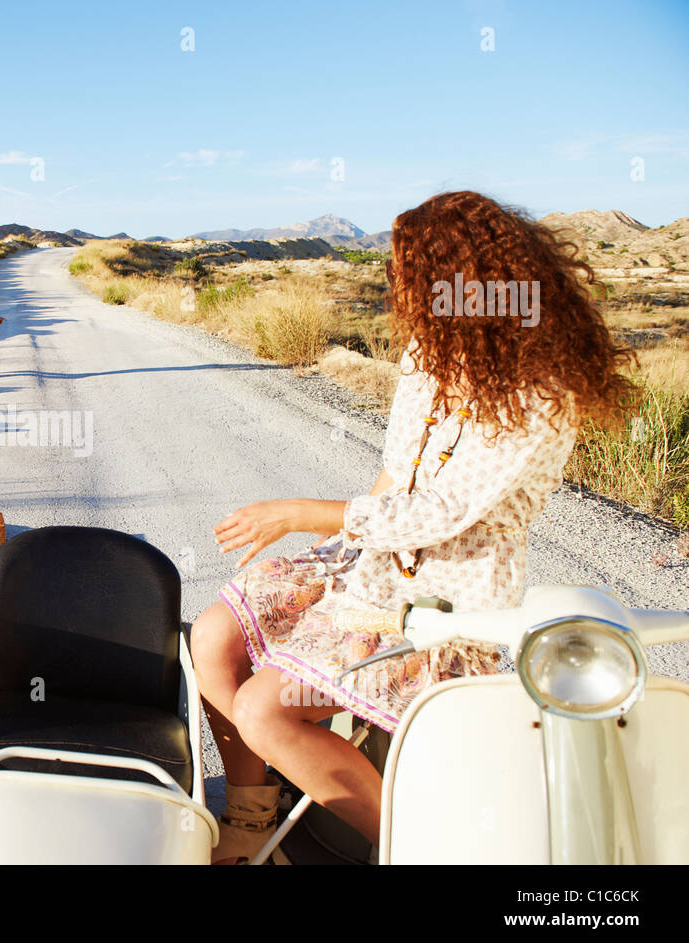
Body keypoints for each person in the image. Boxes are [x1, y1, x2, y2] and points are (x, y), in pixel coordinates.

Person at [189, 190, 638, 864]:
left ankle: (409, 848)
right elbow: (394, 475)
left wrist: (303, 513)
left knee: (265, 708)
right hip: (373, 557)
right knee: (215, 636)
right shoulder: (429, 354)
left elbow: (443, 513)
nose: (397, 286)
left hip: (446, 602)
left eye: (409, 271)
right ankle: (254, 821)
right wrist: (331, 554)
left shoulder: (544, 392)